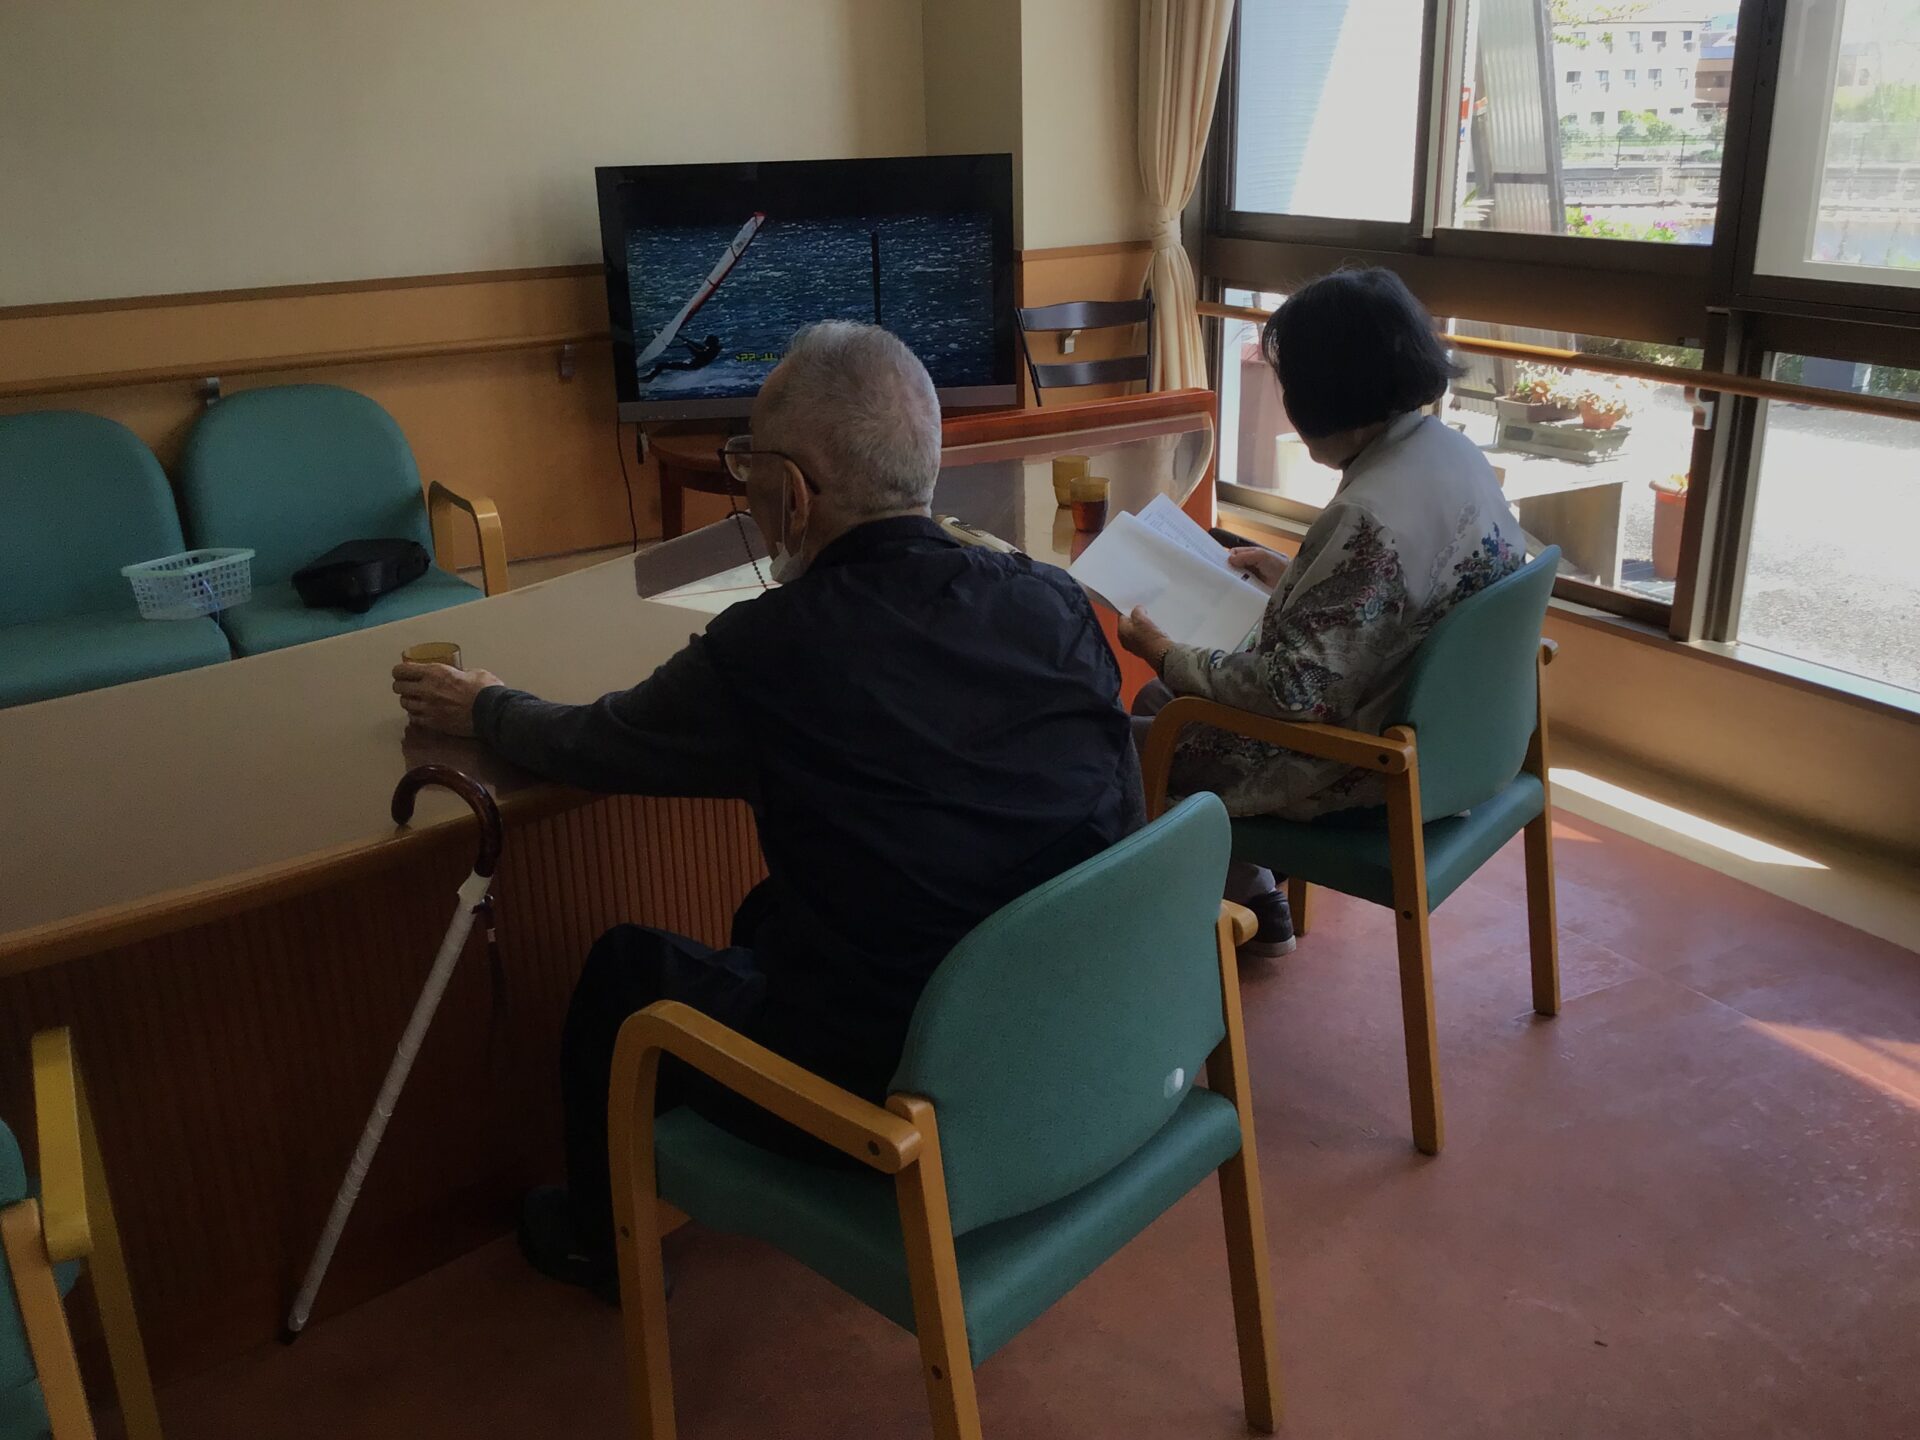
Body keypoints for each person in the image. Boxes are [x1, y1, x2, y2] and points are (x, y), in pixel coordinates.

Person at [393, 320, 1143, 1297]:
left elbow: (587, 742)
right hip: (1081, 1045)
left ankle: (597, 1240)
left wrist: (484, 704)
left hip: (904, 1092)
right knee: (769, 911)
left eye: (747, 462)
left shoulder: (767, 650)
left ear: (790, 491)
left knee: (627, 969)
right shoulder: (1053, 600)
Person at [1118, 268, 1524, 958]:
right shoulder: (1448, 452)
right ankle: (1254, 891)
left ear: (1323, 390)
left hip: (1366, 766)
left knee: (1121, 744)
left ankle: (1209, 921)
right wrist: (1295, 575)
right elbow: (1400, 598)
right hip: (1466, 741)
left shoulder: (1369, 513)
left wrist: (1161, 649)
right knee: (1166, 701)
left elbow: (1293, 692)